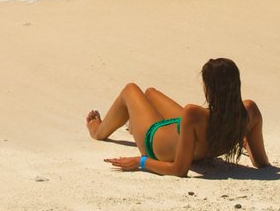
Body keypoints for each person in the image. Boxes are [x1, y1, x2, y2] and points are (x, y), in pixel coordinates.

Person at [86, 57, 269, 176]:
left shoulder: (194, 113)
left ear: (211, 89)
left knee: (130, 89)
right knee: (150, 93)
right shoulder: (249, 112)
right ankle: (133, 125)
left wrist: (140, 161)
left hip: (154, 142)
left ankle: (97, 130)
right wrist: (243, 139)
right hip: (186, 135)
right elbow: (261, 163)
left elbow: (178, 170)